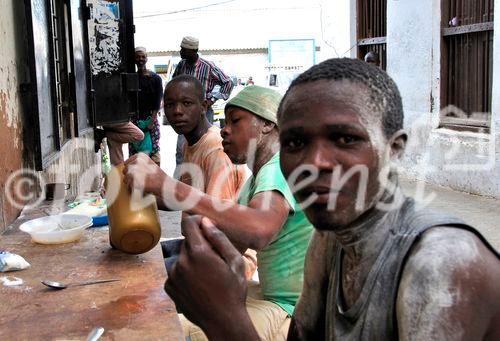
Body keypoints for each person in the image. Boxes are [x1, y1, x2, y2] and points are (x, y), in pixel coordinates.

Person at [162, 58, 500, 340]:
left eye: (344, 138)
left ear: (394, 149)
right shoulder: (329, 239)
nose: (314, 162)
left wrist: (225, 320)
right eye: (295, 143)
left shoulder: (440, 263)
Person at [123, 85, 314, 340]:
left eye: (235, 121)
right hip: (272, 296)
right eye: (224, 122)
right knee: (172, 307)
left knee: (179, 331)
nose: (224, 129)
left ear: (268, 125)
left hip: (292, 310)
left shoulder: (279, 167)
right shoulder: (254, 183)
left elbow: (259, 229)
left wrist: (169, 186)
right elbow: (231, 245)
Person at [172, 36, 234, 165]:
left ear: (193, 50)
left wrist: (212, 98)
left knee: (204, 145)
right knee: (182, 148)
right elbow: (174, 83)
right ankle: (180, 179)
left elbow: (228, 83)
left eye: (183, 49)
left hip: (203, 112)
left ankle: (202, 176)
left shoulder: (208, 66)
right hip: (185, 112)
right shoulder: (181, 65)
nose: (180, 52)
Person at [129, 46, 163, 166]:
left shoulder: (155, 79)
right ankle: (137, 182)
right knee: (135, 153)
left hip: (150, 119)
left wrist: (151, 122)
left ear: (147, 59)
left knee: (153, 151)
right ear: (134, 59)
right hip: (135, 121)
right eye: (138, 57)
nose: (140, 59)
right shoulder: (131, 78)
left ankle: (156, 180)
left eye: (143, 56)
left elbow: (157, 103)